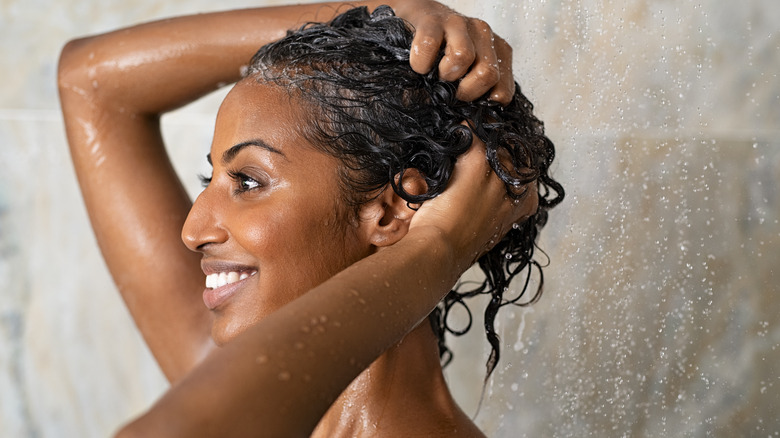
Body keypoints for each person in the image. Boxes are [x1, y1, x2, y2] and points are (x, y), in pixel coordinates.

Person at [57, 1, 563, 436]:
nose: (192, 231)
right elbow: (91, 83)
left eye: (248, 182)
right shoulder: (237, 390)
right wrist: (379, 14)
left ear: (388, 213)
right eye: (209, 178)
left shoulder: (226, 408)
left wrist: (438, 249)